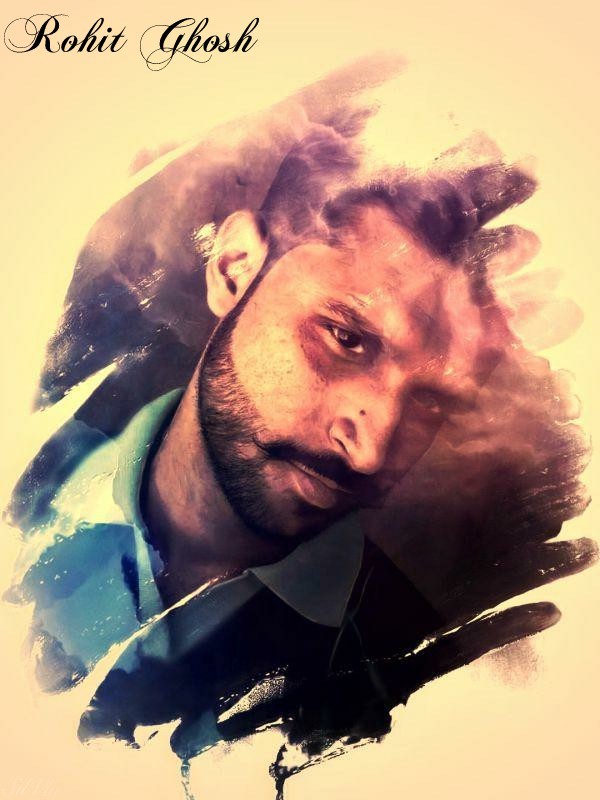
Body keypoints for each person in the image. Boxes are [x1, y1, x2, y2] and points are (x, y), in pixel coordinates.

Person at [6, 80, 596, 787]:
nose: (371, 452)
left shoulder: (421, 690)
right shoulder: (23, 444)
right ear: (235, 268)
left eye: (433, 401)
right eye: (347, 338)